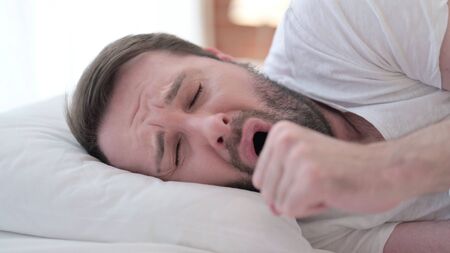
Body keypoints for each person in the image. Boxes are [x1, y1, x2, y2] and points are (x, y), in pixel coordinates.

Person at [66, 0, 450, 252]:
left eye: (195, 93)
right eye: (177, 151)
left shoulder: (334, 21)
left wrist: (384, 172)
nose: (211, 127)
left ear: (223, 58)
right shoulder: (304, 229)